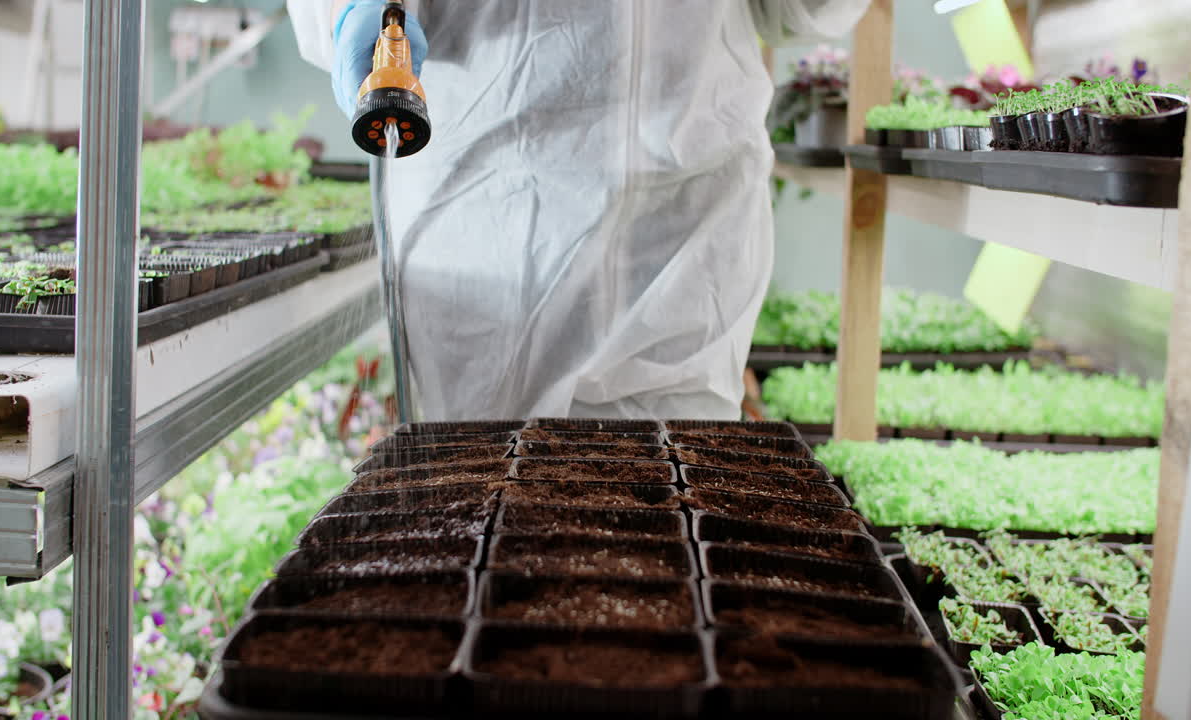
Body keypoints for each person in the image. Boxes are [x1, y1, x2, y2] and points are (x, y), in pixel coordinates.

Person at [287, 0, 869, 421]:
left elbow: (795, 11)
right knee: (479, 525)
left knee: (667, 530)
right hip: (490, 238)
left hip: (683, 249)